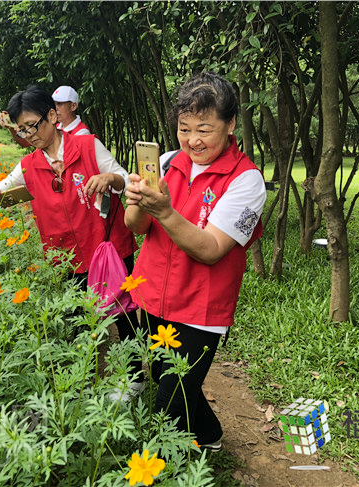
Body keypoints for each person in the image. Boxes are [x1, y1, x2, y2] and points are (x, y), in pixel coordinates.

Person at [124, 72, 266, 451]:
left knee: (169, 400)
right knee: (167, 376)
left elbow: (211, 248)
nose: (192, 141)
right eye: (184, 129)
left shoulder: (246, 180)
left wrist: (165, 211)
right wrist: (137, 200)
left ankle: (164, 462)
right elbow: (136, 227)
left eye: (204, 129)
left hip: (200, 309)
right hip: (154, 294)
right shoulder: (168, 162)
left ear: (230, 124)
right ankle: (211, 434)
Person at [0, 86, 141, 378]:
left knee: (123, 314)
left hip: (107, 249)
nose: (29, 135)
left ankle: (135, 379)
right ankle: (84, 380)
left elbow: (125, 180)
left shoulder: (88, 146)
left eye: (32, 126)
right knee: (80, 321)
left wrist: (109, 178)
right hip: (66, 258)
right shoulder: (28, 166)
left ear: (53, 116)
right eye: (22, 130)